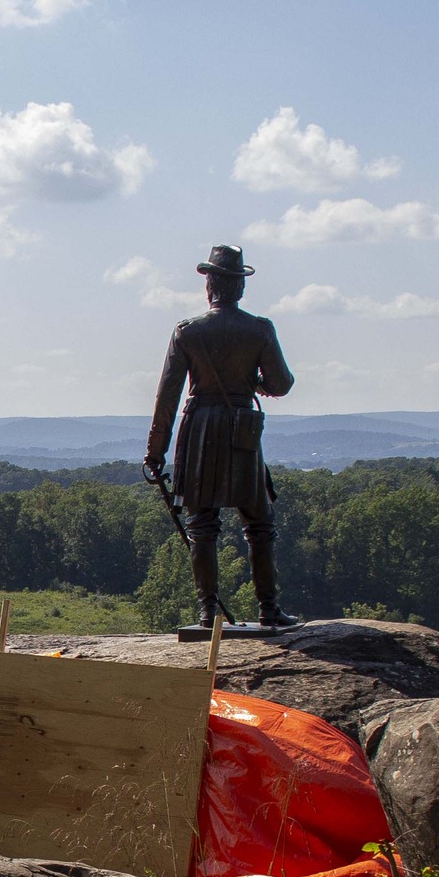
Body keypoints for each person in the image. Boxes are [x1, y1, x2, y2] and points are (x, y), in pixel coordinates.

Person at [144, 243, 298, 636]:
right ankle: (269, 608)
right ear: (239, 288)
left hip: (200, 430)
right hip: (241, 428)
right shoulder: (259, 329)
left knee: (202, 524)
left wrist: (156, 450)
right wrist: (254, 382)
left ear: (209, 286)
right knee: (259, 522)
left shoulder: (188, 332)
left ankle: (208, 611)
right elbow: (282, 383)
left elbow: (168, 394)